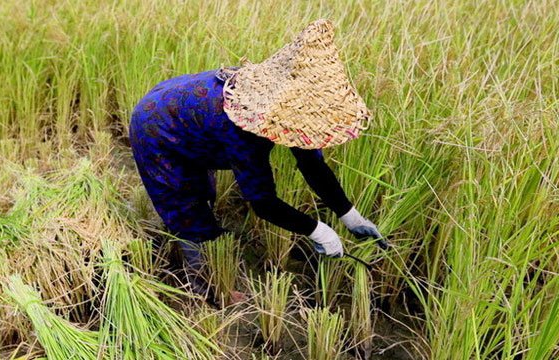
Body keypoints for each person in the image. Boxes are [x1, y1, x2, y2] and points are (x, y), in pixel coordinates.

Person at [129, 19, 383, 304]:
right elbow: (263, 202)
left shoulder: (292, 105)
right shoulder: (244, 124)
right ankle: (205, 289)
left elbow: (313, 165)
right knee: (187, 207)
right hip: (157, 126)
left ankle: (201, 243)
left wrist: (349, 215)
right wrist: (319, 231)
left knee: (203, 192)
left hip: (189, 114)